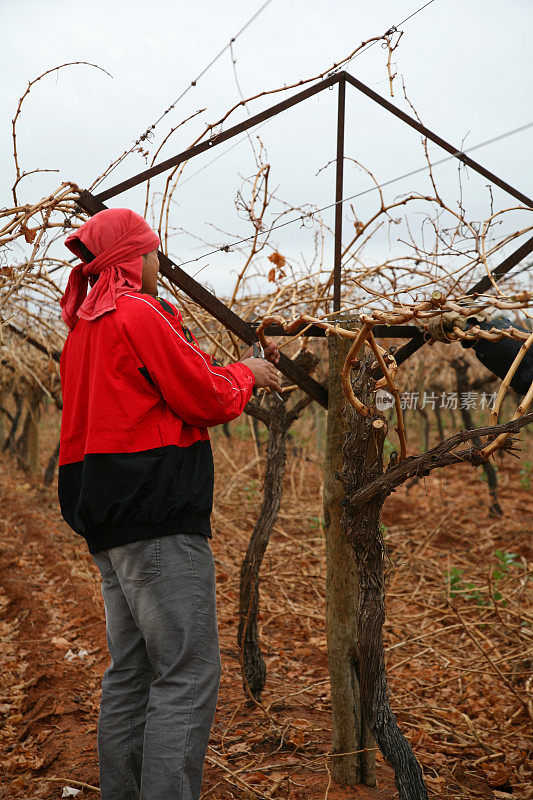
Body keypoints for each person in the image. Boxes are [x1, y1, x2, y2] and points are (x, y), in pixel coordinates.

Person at [57, 207, 281, 800]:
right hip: (156, 516)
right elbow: (203, 396)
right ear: (133, 258)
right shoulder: (137, 312)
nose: (161, 263)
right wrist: (247, 373)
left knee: (131, 673)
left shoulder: (82, 329)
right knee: (187, 673)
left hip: (106, 522)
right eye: (154, 252)